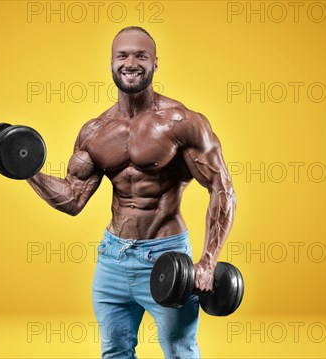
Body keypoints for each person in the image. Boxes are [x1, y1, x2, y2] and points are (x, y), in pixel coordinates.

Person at [26, 26, 236, 359]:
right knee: (114, 352)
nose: (131, 62)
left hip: (165, 257)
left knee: (180, 350)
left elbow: (222, 189)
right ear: (111, 62)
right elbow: (72, 199)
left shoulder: (181, 122)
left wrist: (208, 260)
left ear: (155, 63)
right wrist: (26, 170)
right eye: (122, 55)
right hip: (112, 259)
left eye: (141, 55)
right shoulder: (95, 131)